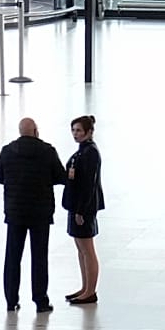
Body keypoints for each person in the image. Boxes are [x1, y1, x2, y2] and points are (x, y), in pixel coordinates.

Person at [0, 117, 67, 313]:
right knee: (39, 257)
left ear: (20, 132)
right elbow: (61, 177)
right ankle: (40, 301)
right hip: (40, 213)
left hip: (15, 212)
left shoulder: (8, 151)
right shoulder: (47, 151)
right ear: (35, 130)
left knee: (12, 257)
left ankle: (11, 300)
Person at [63, 115, 105, 305]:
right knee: (80, 248)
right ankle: (85, 286)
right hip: (76, 205)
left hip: (83, 207)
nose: (75, 134)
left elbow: (88, 184)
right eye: (73, 130)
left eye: (79, 130)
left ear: (89, 132)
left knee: (87, 249)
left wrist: (81, 210)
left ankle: (90, 290)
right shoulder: (82, 152)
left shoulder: (90, 153)